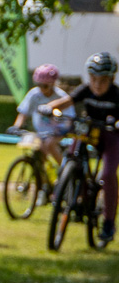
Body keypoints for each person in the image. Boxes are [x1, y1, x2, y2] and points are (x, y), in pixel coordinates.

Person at [46, 52, 119, 242]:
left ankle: (108, 222)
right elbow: (67, 101)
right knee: (71, 158)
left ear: (111, 79)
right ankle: (71, 192)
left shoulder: (116, 94)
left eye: (102, 80)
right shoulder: (85, 90)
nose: (97, 84)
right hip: (87, 131)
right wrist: (50, 107)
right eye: (93, 79)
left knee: (108, 175)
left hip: (110, 136)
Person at [13, 63, 69, 181]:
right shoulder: (34, 94)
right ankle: (44, 182)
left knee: (49, 144)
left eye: (45, 86)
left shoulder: (61, 96)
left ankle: (66, 172)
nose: (41, 88)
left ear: (53, 84)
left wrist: (62, 130)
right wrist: (16, 126)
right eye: (38, 85)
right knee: (38, 154)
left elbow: (69, 119)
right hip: (41, 133)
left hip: (58, 133)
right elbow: (23, 113)